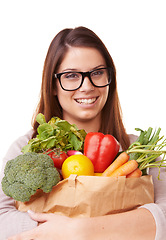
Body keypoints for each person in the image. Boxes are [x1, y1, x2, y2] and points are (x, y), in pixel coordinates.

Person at [0, 26, 165, 240]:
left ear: (110, 78)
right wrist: (125, 225)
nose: (87, 86)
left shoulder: (139, 151)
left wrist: (77, 229)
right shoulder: (27, 147)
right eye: (71, 75)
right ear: (52, 85)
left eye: (97, 73)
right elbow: (2, 220)